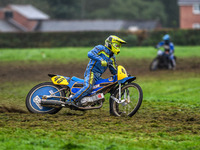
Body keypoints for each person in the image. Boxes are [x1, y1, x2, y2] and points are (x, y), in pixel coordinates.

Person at [66, 35, 127, 105]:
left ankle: (114, 111)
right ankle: (71, 100)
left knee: (111, 88)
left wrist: (123, 74)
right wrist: (100, 59)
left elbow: (114, 71)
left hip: (98, 77)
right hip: (91, 72)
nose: (118, 48)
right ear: (110, 44)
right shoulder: (101, 48)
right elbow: (90, 53)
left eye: (119, 46)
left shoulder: (112, 57)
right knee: (88, 87)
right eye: (117, 45)